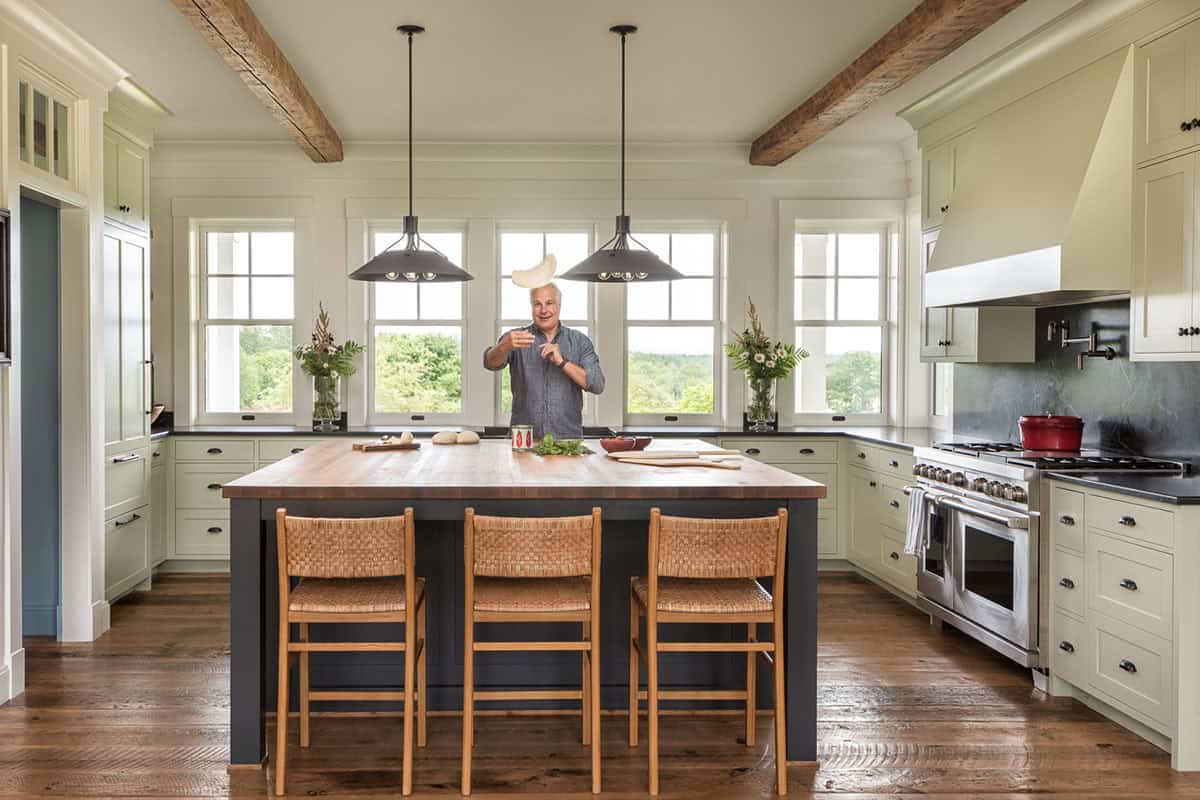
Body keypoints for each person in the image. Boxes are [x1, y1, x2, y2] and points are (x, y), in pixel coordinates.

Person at [483, 282, 605, 440]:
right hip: (524, 441)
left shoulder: (580, 341)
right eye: (537, 304)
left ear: (559, 306)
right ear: (531, 308)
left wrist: (563, 362)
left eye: (549, 303)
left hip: (567, 442)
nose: (544, 310)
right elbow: (490, 363)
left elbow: (597, 384)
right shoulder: (514, 338)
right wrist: (503, 346)